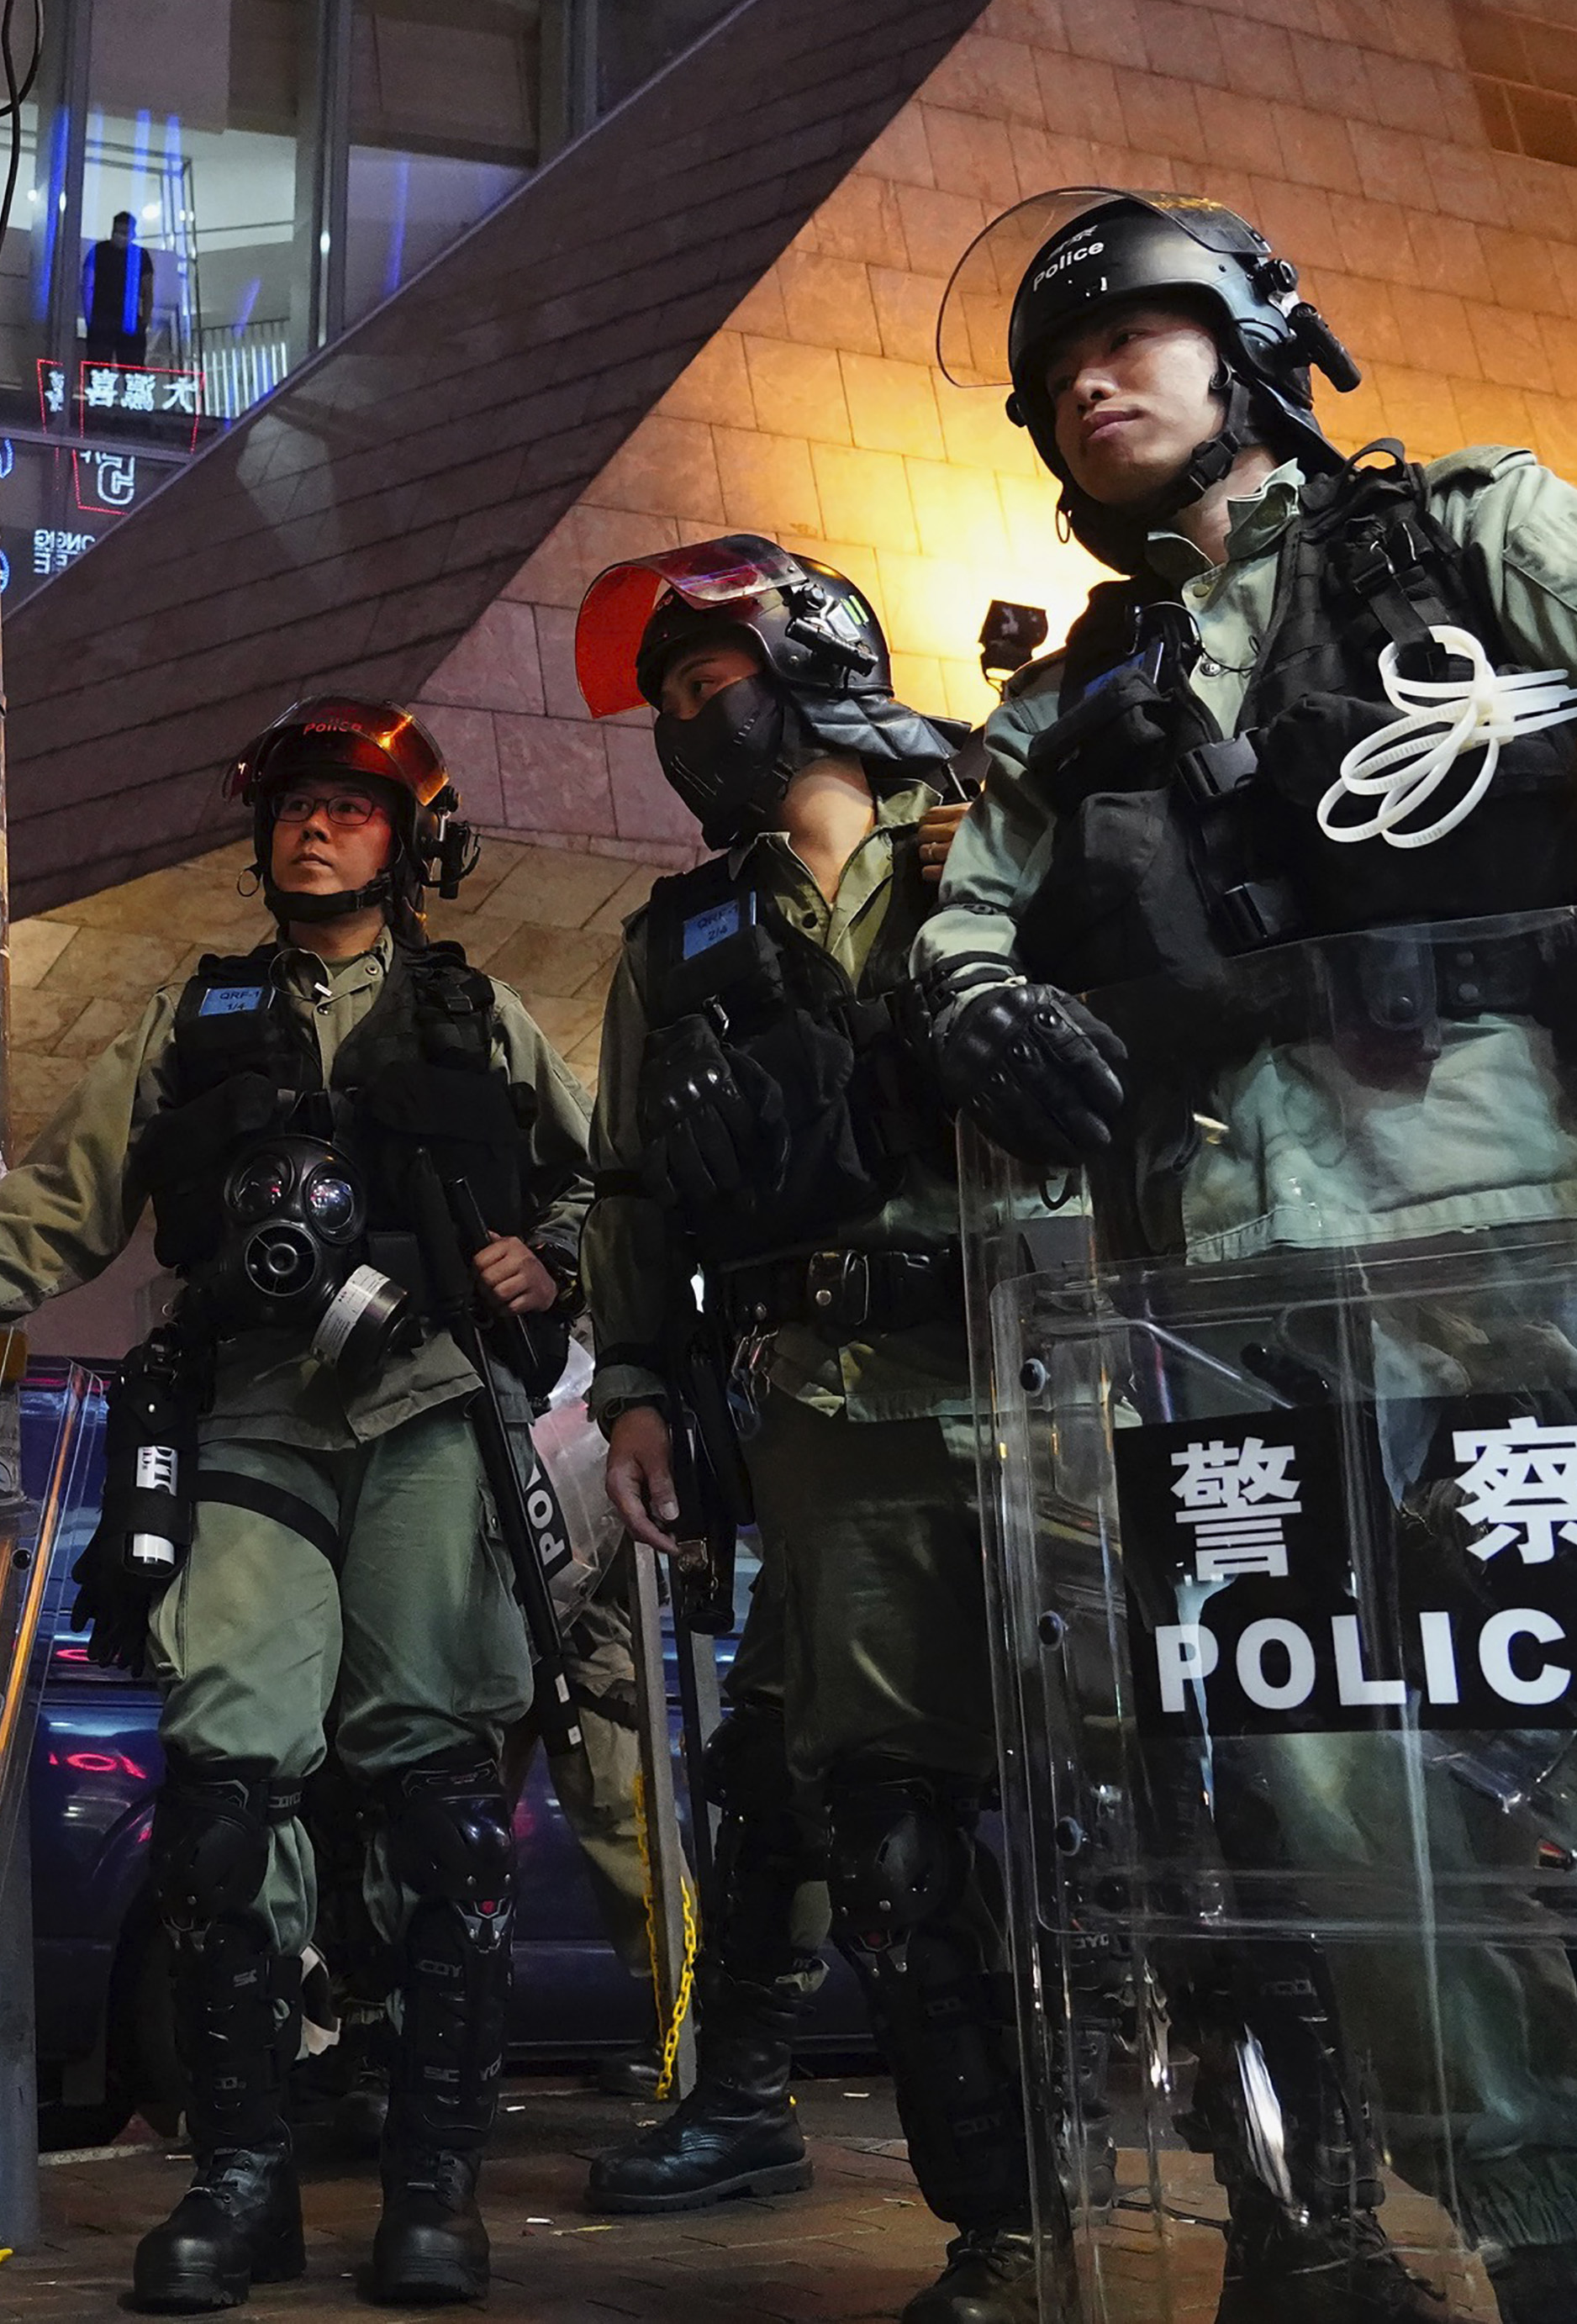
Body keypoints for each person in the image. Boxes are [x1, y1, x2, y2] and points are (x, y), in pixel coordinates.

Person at [920, 189, 1577, 2324]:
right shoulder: (1074, 709)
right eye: (1056, 374)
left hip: (1524, 1243)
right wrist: (966, 1000)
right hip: (1232, 1302)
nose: (1092, 382)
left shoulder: (1456, 531)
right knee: (1364, 1822)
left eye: (1133, 334)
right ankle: (1548, 2250)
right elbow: (965, 916)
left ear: (1253, 346)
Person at [0, 698, 594, 2309]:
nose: (314, 829)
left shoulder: (479, 1014)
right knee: (221, 1792)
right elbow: (64, 1195)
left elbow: (601, 1176)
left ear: (411, 841)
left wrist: (563, 1259)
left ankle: (431, 2185)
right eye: (294, 808)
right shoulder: (194, 1015)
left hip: (425, 1420)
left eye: (350, 807)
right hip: (251, 1420)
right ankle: (243, 2177)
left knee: (439, 1799)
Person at [563, 535, 988, 2261]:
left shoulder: (989, 820)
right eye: (665, 699)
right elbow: (626, 1189)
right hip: (816, 1393)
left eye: (705, 679)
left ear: (808, 657)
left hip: (1047, 1359)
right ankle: (762, 2105)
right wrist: (643, 1386)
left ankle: (1277, 2188)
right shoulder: (679, 937)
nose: (685, 721)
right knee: (811, 1765)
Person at [84, 212, 157, 372]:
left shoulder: (98, 251)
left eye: (124, 232)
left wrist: (90, 319)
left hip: (106, 321)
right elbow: (148, 292)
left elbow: (87, 287)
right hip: (115, 321)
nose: (121, 236)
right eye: (119, 232)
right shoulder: (139, 255)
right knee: (130, 373)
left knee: (102, 372)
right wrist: (144, 321)